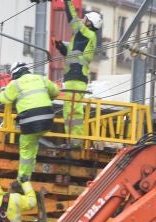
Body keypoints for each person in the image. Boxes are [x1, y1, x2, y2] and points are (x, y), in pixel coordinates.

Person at [0, 61, 60, 181]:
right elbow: (56, 91)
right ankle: (29, 172)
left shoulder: (14, 84)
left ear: (14, 74)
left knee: (26, 149)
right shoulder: (41, 78)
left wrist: (2, 92)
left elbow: (5, 100)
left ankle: (23, 179)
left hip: (30, 121)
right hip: (48, 120)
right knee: (33, 143)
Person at [54, 8, 101, 146]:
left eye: (85, 19)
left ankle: (75, 143)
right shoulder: (83, 38)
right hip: (73, 79)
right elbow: (72, 55)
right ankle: (71, 141)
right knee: (69, 112)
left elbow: (72, 18)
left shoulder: (87, 33)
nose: (82, 20)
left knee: (74, 113)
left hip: (76, 79)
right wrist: (60, 46)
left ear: (89, 23)